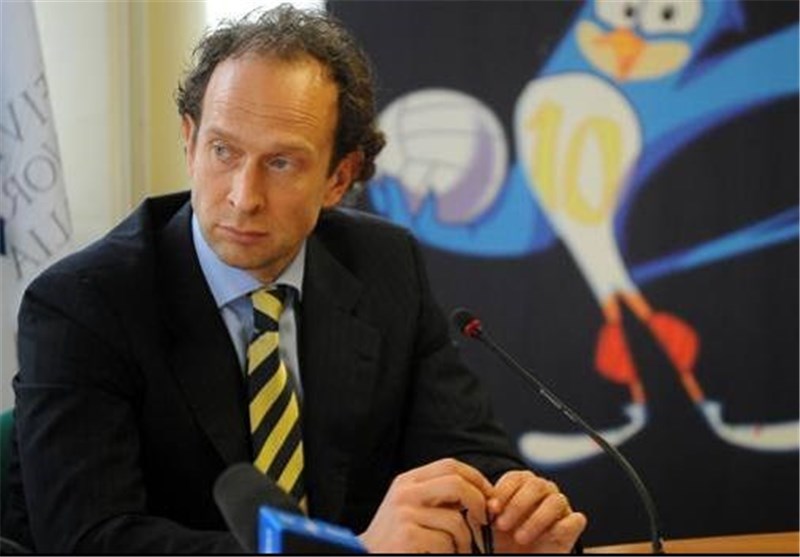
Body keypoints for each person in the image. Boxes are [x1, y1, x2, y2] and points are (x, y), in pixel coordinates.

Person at [4, 5, 586, 554]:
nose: (244, 196)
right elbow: (90, 540)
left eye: (281, 163)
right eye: (224, 151)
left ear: (339, 178)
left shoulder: (384, 266)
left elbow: (463, 452)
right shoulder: (84, 304)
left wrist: (507, 514)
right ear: (189, 140)